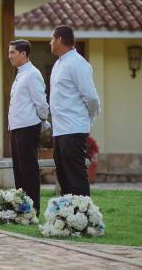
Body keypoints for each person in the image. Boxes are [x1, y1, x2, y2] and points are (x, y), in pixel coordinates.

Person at [49, 26, 101, 196]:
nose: (50, 43)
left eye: (51, 39)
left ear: (59, 40)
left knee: (76, 176)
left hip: (74, 129)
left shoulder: (78, 63)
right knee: (63, 177)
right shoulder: (58, 63)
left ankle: (83, 216)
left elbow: (91, 97)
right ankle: (66, 216)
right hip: (60, 130)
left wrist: (90, 117)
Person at [8, 40, 49, 215]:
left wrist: (42, 118)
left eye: (12, 52)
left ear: (23, 54)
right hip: (17, 126)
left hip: (28, 126)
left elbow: (41, 102)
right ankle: (21, 206)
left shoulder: (32, 74)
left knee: (29, 170)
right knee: (19, 169)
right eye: (9, 52)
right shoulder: (20, 73)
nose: (9, 56)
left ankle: (33, 208)